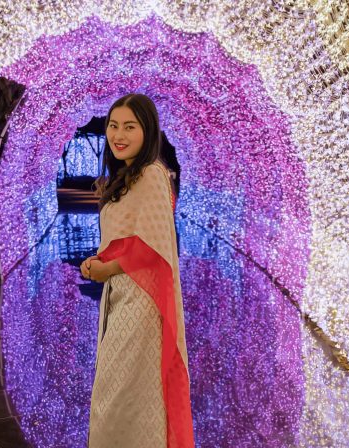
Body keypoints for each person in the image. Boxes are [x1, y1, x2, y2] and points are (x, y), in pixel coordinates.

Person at [80, 93, 194, 447]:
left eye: (130, 126)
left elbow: (153, 246)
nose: (119, 134)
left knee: (120, 396)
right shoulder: (129, 175)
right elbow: (128, 238)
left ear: (148, 132)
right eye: (113, 126)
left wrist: (105, 269)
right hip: (122, 295)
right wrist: (97, 261)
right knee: (120, 393)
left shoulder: (152, 174)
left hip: (143, 305)